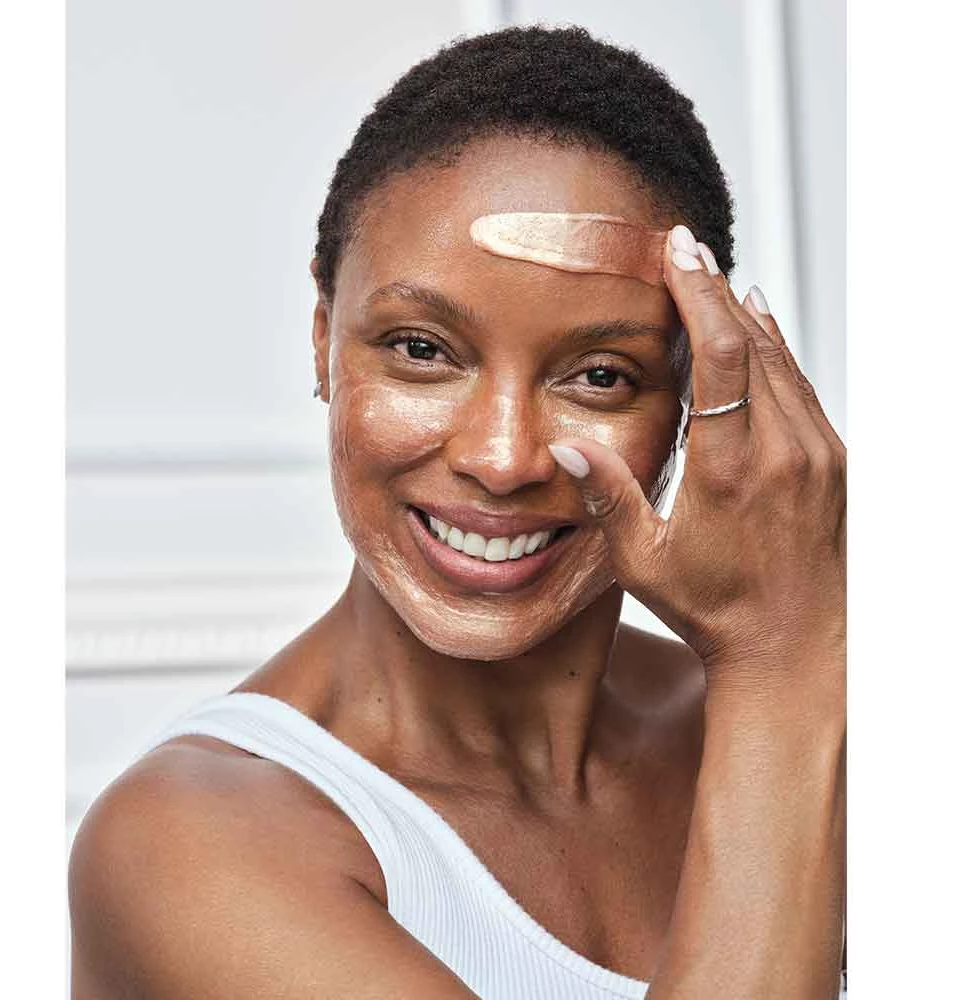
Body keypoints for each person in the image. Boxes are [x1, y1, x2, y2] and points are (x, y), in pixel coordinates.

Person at [68, 25, 846, 999]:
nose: (501, 457)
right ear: (323, 337)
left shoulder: (798, 724)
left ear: (695, 393)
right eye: (421, 350)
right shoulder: (185, 840)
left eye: (601, 374)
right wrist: (783, 663)